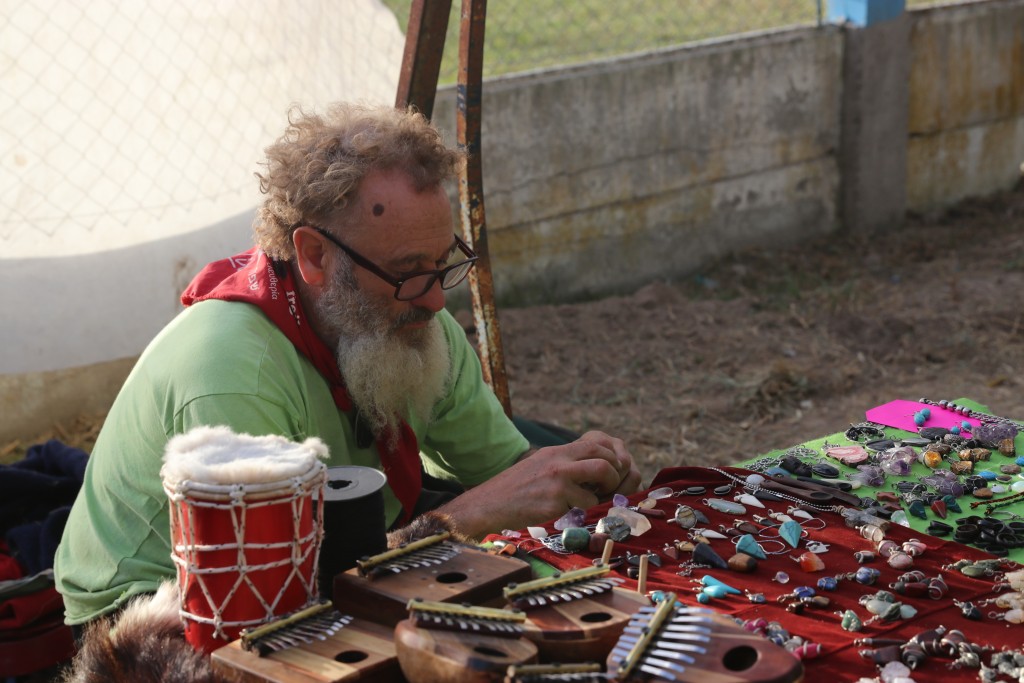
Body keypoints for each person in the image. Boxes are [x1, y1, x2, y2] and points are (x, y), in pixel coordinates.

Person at [53, 102, 641, 629]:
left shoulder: (412, 319)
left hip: (343, 548)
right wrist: (468, 515)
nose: (437, 301)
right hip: (162, 614)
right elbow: (271, 607)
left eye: (443, 263)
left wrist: (567, 475)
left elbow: (506, 476)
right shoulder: (233, 373)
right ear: (314, 255)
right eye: (407, 270)